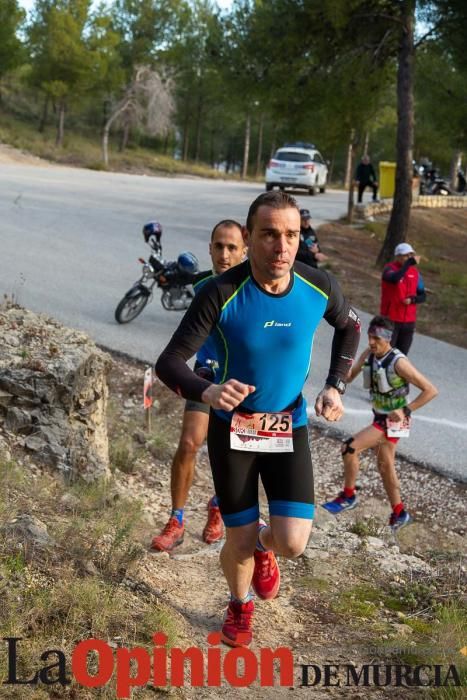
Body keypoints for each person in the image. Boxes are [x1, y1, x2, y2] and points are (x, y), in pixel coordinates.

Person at [155, 191, 360, 647]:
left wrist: (335, 384)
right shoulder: (220, 292)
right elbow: (169, 363)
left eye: (291, 235)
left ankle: (267, 551)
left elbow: (350, 326)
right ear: (250, 239)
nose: (282, 246)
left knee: (291, 542)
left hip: (288, 427)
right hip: (234, 431)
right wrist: (207, 390)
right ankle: (239, 603)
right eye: (269, 235)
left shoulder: (318, 285)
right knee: (239, 540)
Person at [151, 220, 247, 553]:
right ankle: (176, 519)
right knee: (190, 442)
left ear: (244, 250)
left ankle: (218, 505)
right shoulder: (203, 282)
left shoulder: (254, 287)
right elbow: (172, 279)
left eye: (232, 247)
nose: (224, 253)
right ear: (209, 248)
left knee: (237, 455)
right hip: (205, 376)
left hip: (242, 383)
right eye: (218, 245)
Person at [322, 315, 438, 531]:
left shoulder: (399, 362)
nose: (371, 342)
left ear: (388, 339)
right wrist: (335, 374)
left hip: (392, 421)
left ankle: (348, 497)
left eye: (376, 338)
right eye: (369, 336)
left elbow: (431, 390)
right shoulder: (370, 354)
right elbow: (350, 377)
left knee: (350, 448)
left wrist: (406, 409)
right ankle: (400, 512)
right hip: (380, 418)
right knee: (385, 467)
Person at [380, 242, 426, 355]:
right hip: (390, 320)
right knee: (385, 353)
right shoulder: (389, 270)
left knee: (401, 357)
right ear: (398, 256)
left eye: (411, 255)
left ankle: (396, 373)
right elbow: (395, 278)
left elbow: (422, 295)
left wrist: (413, 300)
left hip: (408, 322)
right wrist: (409, 263)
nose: (409, 258)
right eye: (406, 255)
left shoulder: (415, 274)